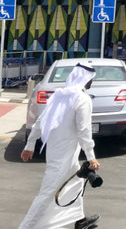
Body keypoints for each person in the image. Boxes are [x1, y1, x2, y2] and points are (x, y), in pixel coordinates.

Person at [20, 64, 101, 229]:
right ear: (87, 78)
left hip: (61, 154)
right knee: (46, 193)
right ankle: (26, 227)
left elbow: (40, 122)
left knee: (77, 183)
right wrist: (91, 156)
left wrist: (30, 144)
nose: (92, 81)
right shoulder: (82, 99)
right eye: (91, 78)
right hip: (62, 158)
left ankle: (80, 220)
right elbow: (84, 131)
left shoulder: (59, 95)